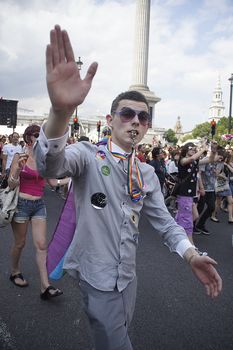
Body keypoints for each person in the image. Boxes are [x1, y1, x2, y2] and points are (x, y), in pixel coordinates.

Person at [34, 25, 222, 350]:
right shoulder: (88, 155)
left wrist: (191, 254)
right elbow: (50, 165)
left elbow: (165, 222)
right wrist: (60, 112)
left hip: (128, 276)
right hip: (97, 276)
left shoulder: (146, 172)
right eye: (127, 114)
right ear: (111, 119)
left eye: (143, 117)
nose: (135, 121)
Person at [8, 125, 63, 300]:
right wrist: (17, 169)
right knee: (20, 243)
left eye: (42, 136)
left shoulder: (44, 159)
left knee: (41, 245)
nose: (40, 139)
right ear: (28, 137)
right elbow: (11, 184)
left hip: (39, 204)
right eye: (37, 135)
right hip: (21, 205)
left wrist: (73, 179)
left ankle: (45, 286)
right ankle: (15, 271)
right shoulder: (19, 156)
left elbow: (53, 183)